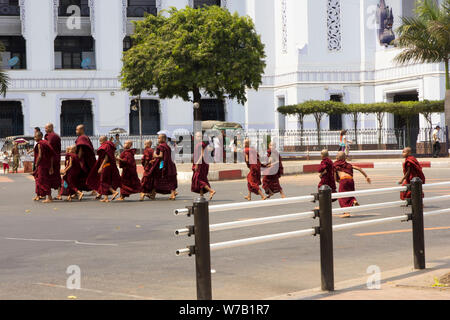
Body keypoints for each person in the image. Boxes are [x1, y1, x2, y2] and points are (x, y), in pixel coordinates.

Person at [334, 151, 371, 218]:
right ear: (344, 158)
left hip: (343, 180)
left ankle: (346, 212)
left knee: (341, 197)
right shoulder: (348, 165)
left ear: (337, 158)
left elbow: (334, 176)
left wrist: (337, 181)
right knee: (350, 194)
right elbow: (359, 168)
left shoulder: (335, 165)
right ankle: (353, 200)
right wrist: (366, 176)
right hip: (351, 180)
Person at [87, 136, 121, 202]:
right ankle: (106, 198)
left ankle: (114, 192)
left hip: (106, 165)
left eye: (100, 140)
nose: (99, 142)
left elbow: (106, 157)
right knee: (106, 181)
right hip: (110, 166)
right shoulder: (110, 145)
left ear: (103, 140)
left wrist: (101, 167)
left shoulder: (105, 146)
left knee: (103, 181)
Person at [148, 133, 178, 200]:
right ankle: (154, 194)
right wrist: (154, 160)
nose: (158, 139)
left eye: (159, 138)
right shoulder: (167, 146)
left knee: (158, 178)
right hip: (168, 164)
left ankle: (153, 194)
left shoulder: (160, 146)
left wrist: (155, 155)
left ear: (163, 139)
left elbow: (161, 156)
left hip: (162, 164)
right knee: (167, 179)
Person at [33, 131, 56, 203]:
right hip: (47, 164)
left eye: (36, 137)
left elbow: (40, 155)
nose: (34, 138)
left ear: (40, 137)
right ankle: (41, 195)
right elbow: (51, 155)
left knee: (42, 181)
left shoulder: (40, 144)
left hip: (42, 165)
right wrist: (51, 166)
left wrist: (36, 164)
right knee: (44, 180)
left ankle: (49, 197)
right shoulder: (46, 143)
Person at [191, 132, 216, 200]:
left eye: (199, 136)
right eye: (197, 136)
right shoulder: (200, 144)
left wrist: (197, 164)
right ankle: (201, 195)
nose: (198, 137)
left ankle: (211, 190)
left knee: (197, 179)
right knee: (202, 178)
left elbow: (202, 155)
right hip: (203, 163)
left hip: (200, 164)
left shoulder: (201, 144)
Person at [75, 125, 97, 194]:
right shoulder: (85, 137)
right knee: (86, 175)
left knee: (80, 175)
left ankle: (79, 191)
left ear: (82, 130)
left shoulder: (82, 138)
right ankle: (91, 189)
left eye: (77, 130)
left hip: (84, 160)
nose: (76, 131)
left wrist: (77, 159)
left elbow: (81, 150)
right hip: (88, 160)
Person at [44, 123, 62, 199]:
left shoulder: (53, 136)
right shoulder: (52, 136)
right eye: (45, 128)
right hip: (54, 158)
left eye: (47, 128)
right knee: (56, 176)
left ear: (51, 127)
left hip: (53, 159)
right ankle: (58, 194)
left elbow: (49, 148)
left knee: (54, 176)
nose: (45, 130)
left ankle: (58, 194)